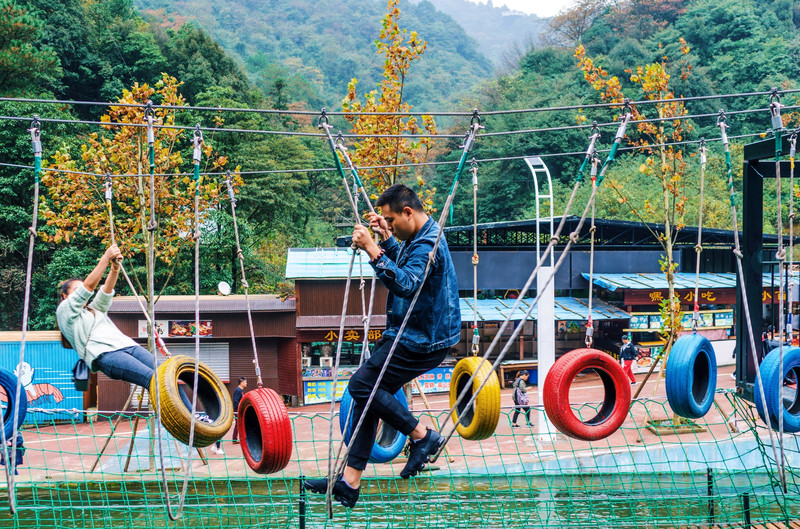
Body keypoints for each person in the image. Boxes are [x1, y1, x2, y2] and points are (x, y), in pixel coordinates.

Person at [304, 184, 461, 508]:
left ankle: (422, 436)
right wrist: (386, 239)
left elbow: (406, 283)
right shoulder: (416, 237)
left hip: (423, 340)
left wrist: (372, 249)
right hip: (408, 335)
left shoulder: (429, 242)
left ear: (408, 212)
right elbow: (405, 263)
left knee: (361, 385)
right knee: (368, 397)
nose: (388, 225)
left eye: (391, 220)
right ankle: (349, 482)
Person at [56, 244, 189, 404]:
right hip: (106, 355)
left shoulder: (93, 309)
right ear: (65, 296)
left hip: (128, 346)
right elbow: (88, 287)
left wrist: (114, 268)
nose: (80, 293)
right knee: (152, 379)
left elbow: (105, 292)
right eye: (76, 290)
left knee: (167, 376)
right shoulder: (64, 311)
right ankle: (176, 416)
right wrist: (106, 257)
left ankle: (192, 415)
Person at [231, 377, 247, 444]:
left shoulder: (240, 390)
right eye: (245, 382)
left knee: (239, 424)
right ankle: (235, 439)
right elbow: (236, 401)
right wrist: (239, 409)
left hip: (238, 409)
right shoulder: (238, 390)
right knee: (238, 424)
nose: (246, 383)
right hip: (237, 410)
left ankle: (236, 438)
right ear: (241, 382)